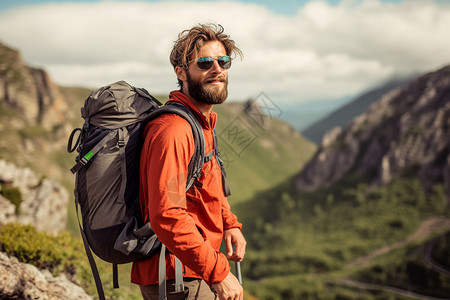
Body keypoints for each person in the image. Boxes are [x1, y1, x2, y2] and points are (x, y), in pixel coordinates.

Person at [131, 23, 247, 300]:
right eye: (205, 63)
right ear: (181, 72)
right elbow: (167, 212)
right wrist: (218, 272)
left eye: (223, 61)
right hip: (179, 276)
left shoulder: (200, 123)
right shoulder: (174, 131)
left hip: (192, 269)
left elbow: (206, 183)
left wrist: (229, 223)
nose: (217, 69)